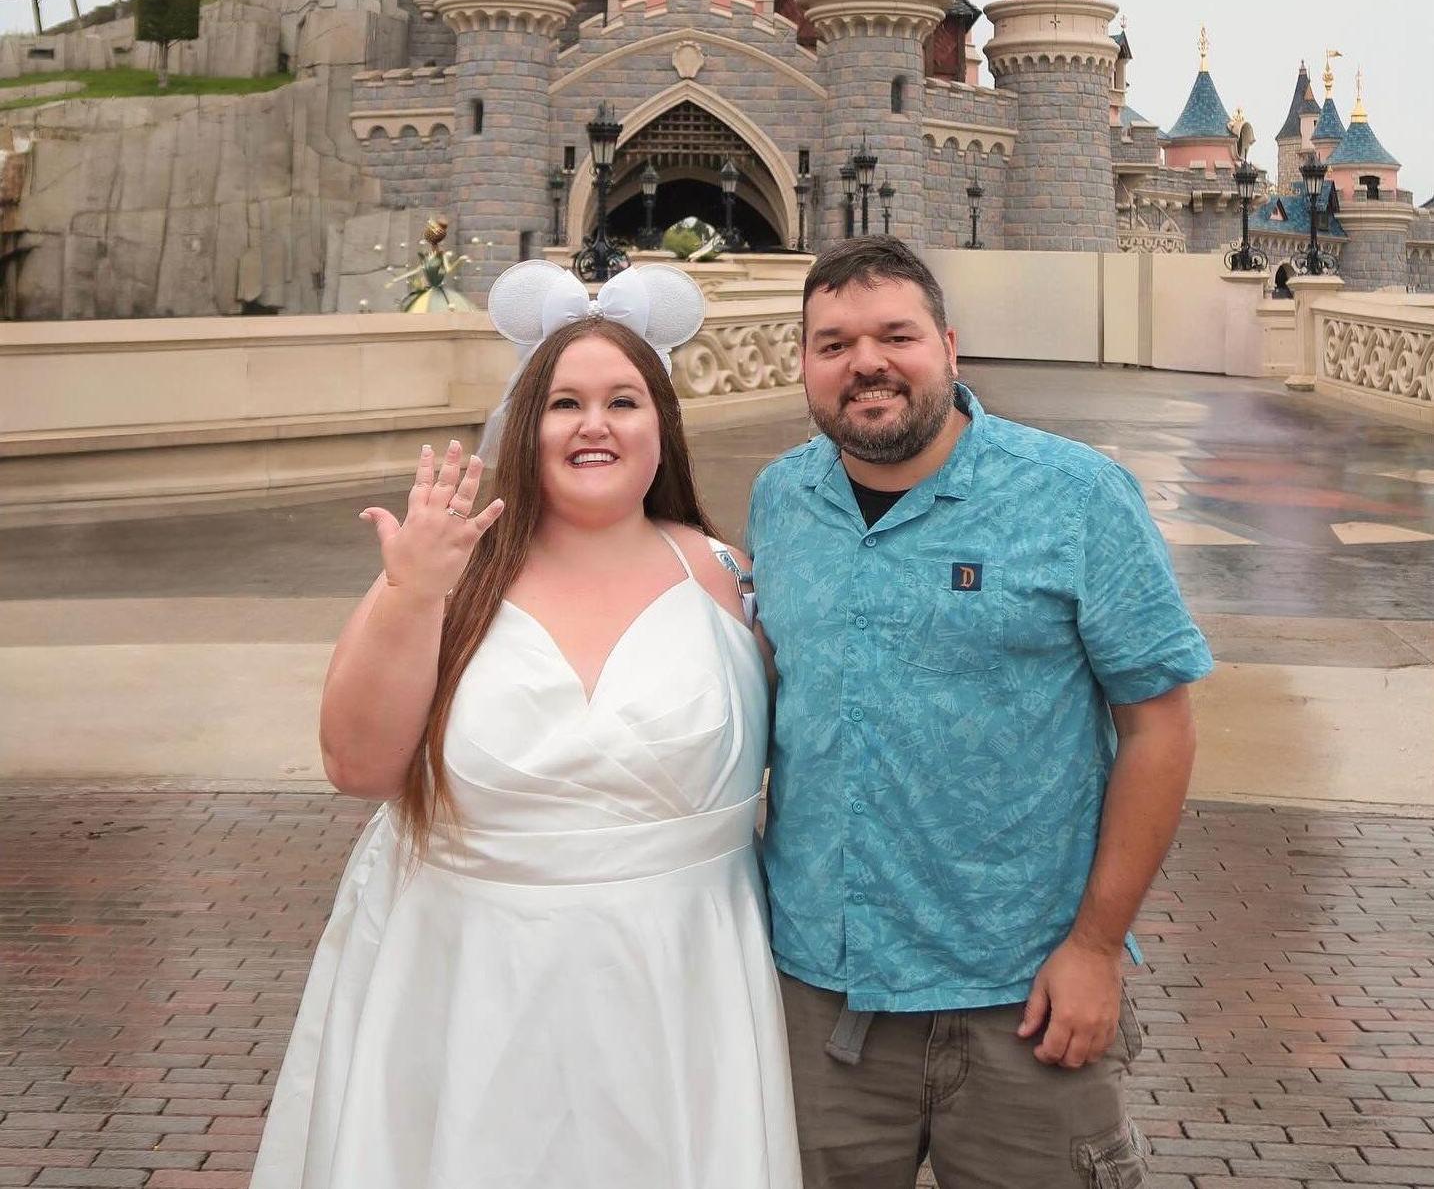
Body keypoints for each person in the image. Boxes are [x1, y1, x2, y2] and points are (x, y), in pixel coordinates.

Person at [251, 262, 801, 1189]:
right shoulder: (449, 573)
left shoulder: (727, 576)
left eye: (624, 400)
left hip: (682, 977)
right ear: (524, 426)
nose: (595, 424)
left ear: (661, 426)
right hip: (469, 980)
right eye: (564, 403)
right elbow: (357, 764)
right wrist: (409, 590)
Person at [746, 237, 1213, 1189]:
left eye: (895, 335)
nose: (865, 361)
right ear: (801, 364)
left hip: (1026, 1003)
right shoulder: (780, 500)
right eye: (832, 343)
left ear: (949, 347)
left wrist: (1094, 948)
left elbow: (1159, 726)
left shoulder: (1075, 496)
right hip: (821, 1003)